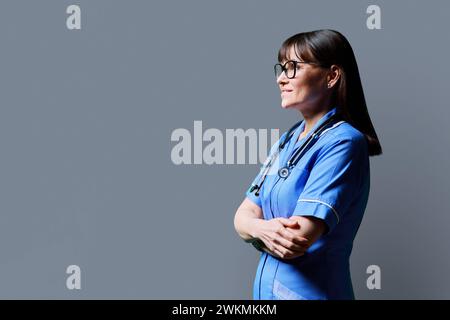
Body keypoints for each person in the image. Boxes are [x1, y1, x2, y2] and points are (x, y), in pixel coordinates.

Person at [233, 29, 382, 300]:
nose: (280, 78)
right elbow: (241, 217)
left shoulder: (344, 142)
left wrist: (254, 229)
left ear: (332, 76)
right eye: (281, 68)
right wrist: (260, 229)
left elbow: (296, 240)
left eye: (293, 68)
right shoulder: (288, 139)